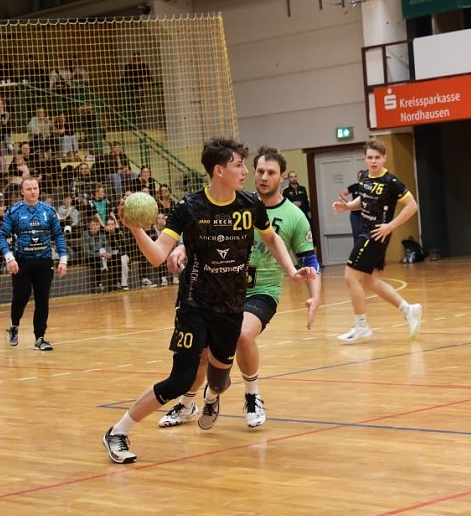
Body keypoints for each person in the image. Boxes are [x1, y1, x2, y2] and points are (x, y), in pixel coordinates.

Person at [101, 137, 314, 464]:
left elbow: (271, 239)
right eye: (239, 165)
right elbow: (159, 255)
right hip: (195, 305)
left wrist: (292, 270)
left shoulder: (250, 205)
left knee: (220, 378)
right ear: (219, 170)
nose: (246, 171)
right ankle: (118, 431)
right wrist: (135, 230)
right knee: (182, 378)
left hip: (232, 306)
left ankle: (212, 397)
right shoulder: (188, 208)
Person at [159, 146, 322, 429]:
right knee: (200, 356)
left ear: (282, 176)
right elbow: (205, 232)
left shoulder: (293, 216)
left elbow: (310, 261)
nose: (262, 177)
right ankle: (188, 403)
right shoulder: (234, 201)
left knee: (244, 335)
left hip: (262, 291)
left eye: (270, 172)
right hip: (218, 290)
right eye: (259, 171)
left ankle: (252, 394)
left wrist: (314, 297)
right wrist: (183, 246)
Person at [331, 139, 423, 342]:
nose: (373, 161)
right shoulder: (364, 177)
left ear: (384, 158)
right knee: (371, 281)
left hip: (375, 234)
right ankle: (408, 310)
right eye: (370, 157)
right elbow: (363, 201)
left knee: (350, 277)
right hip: (365, 232)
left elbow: (412, 206)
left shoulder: (391, 182)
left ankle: (361, 325)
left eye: (377, 157)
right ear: (365, 159)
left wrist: (391, 225)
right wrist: (347, 207)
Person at [0, 177, 68, 351]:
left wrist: (63, 258)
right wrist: (9, 258)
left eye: (35, 188)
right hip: (21, 262)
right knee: (21, 298)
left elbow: (58, 235)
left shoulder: (48, 211)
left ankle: (40, 338)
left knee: (42, 300)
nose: (33, 191)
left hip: (44, 261)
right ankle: (14, 327)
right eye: (28, 189)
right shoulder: (13, 212)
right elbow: (1, 237)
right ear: (22, 191)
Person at [340, 170, 365, 241]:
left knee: (364, 235)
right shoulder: (354, 186)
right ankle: (356, 251)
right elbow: (342, 193)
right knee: (356, 234)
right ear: (357, 178)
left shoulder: (368, 187)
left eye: (362, 177)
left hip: (365, 214)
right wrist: (349, 203)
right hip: (355, 215)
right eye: (359, 177)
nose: (361, 178)